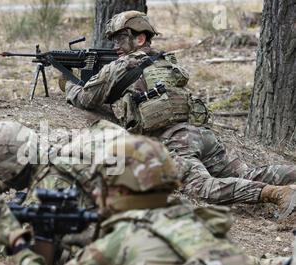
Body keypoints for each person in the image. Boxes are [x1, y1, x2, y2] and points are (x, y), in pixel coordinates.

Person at [0, 135, 275, 265]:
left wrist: (17, 243)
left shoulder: (116, 246)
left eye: (102, 185)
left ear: (117, 191)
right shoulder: (196, 219)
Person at [62, 10, 296, 221]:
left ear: (140, 38)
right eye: (113, 40)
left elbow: (85, 98)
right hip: (201, 136)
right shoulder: (165, 60)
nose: (115, 46)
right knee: (247, 173)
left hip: (175, 141)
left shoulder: (120, 66)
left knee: (202, 187)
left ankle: (276, 194)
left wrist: (67, 83)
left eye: (120, 39)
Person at [0, 119, 128, 265]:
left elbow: (33, 255)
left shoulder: (46, 190)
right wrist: (0, 183)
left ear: (13, 171)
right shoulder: (68, 148)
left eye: (0, 174)